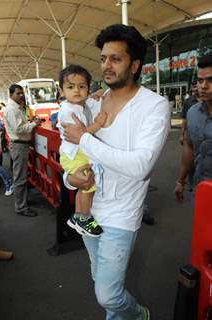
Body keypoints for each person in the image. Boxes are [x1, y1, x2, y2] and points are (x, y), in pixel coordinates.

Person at [62, 24, 170, 319]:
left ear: (134, 65)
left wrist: (84, 138)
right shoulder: (92, 102)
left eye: (115, 59)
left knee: (108, 293)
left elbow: (140, 166)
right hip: (90, 210)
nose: (106, 66)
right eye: (103, 58)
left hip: (122, 215)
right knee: (102, 282)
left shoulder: (154, 106)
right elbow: (72, 154)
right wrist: (69, 179)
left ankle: (139, 315)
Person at [58, 64, 107, 237]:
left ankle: (78, 217)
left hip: (75, 154)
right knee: (88, 185)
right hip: (75, 154)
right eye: (71, 87)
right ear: (62, 91)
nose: (77, 91)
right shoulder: (67, 111)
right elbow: (80, 134)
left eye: (82, 86)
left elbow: (87, 104)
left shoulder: (78, 105)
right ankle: (85, 218)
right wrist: (98, 124)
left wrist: (95, 96)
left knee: (83, 188)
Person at [175, 52, 212, 201]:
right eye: (200, 80)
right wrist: (180, 180)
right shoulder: (193, 113)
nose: (203, 86)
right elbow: (189, 147)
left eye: (210, 80)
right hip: (200, 188)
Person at [3, 84, 41, 217]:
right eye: (18, 93)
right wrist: (34, 124)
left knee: (21, 176)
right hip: (19, 146)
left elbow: (19, 126)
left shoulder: (16, 108)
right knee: (20, 178)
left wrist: (30, 123)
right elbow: (19, 129)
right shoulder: (12, 109)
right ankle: (21, 207)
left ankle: (22, 202)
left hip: (20, 145)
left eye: (22, 93)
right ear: (11, 95)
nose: (21, 95)